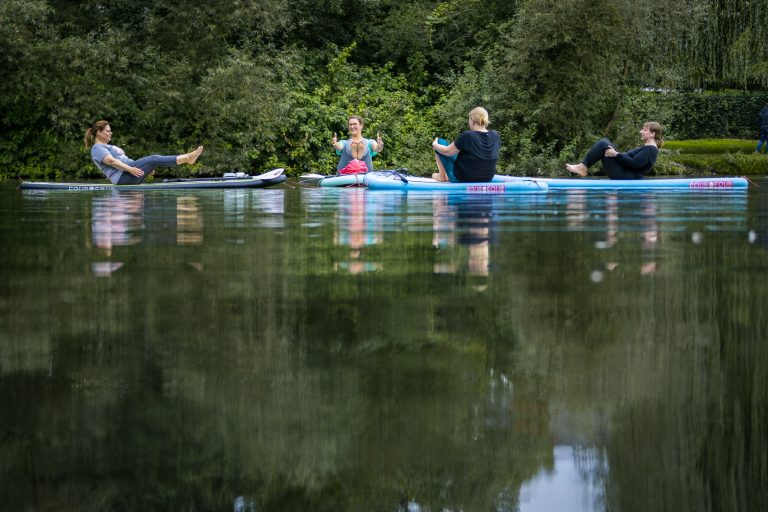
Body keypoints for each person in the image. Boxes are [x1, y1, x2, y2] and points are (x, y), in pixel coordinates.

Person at [83, 120, 203, 185]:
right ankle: (188, 158)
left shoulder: (108, 146)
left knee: (153, 162)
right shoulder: (97, 149)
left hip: (130, 173)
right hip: (124, 177)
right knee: (153, 158)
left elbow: (126, 160)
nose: (111, 133)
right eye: (108, 131)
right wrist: (130, 170)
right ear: (98, 132)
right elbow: (111, 161)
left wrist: (145, 170)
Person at [566, 122, 663, 180]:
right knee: (605, 141)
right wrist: (614, 153)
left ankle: (582, 167)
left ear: (652, 134)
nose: (641, 132)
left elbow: (634, 163)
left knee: (603, 144)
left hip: (625, 176)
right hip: (623, 173)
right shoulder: (646, 148)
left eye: (644, 130)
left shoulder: (650, 150)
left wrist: (615, 154)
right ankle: (582, 167)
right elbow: (627, 155)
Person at [431, 107, 500, 183]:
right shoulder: (495, 135)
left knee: (440, 142)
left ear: (472, 121)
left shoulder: (468, 135)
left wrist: (434, 145)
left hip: (464, 179)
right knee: (459, 154)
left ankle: (442, 176)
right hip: (487, 178)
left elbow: (447, 152)